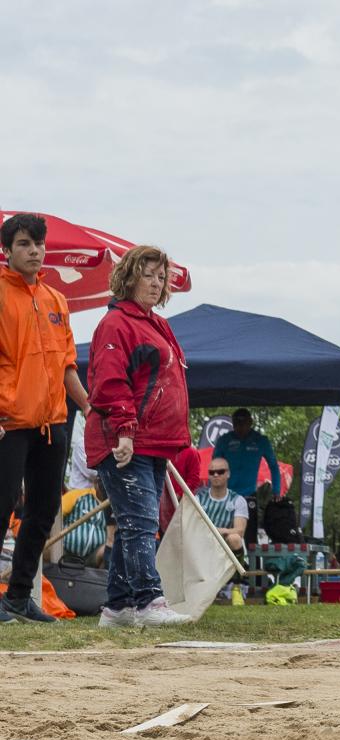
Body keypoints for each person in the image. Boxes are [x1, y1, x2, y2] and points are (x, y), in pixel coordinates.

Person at [85, 245, 192, 627]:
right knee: (139, 522)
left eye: (162, 277)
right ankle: (149, 601)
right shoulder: (116, 324)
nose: (156, 282)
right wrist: (125, 432)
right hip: (125, 440)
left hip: (154, 441)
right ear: (129, 275)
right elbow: (110, 383)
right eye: (149, 274)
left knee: (137, 521)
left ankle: (117, 608)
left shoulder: (156, 324)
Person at [0, 213, 91, 623]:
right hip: (9, 421)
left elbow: (68, 365)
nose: (34, 250)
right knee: (2, 508)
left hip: (53, 421)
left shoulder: (57, 299)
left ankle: (18, 597)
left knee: (42, 511)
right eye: (24, 243)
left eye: (38, 243)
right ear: (7, 250)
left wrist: (89, 408)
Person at [213, 407, 282, 540]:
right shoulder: (224, 440)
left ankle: (250, 560)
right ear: (233, 424)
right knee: (225, 533)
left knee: (249, 535)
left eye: (243, 424)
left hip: (249, 494)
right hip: (228, 494)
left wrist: (277, 491)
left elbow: (274, 465)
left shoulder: (261, 441)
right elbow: (215, 467)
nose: (240, 428)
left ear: (250, 423)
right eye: (237, 424)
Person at [193, 456, 248, 553]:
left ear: (228, 474)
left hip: (227, 547)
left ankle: (237, 568)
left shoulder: (238, 500)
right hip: (203, 543)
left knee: (235, 538)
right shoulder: (198, 499)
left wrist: (220, 531)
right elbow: (193, 527)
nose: (215, 475)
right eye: (212, 472)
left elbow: (240, 531)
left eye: (220, 471)